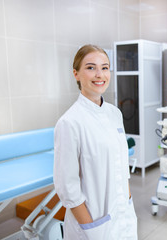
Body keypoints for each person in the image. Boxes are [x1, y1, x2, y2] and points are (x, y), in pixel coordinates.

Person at [53, 44, 138, 240]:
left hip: (123, 213)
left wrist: (128, 200)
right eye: (91, 67)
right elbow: (67, 187)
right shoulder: (69, 122)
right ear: (76, 74)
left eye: (105, 67)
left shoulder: (115, 114)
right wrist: (90, 227)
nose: (99, 74)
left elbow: (121, 167)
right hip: (93, 224)